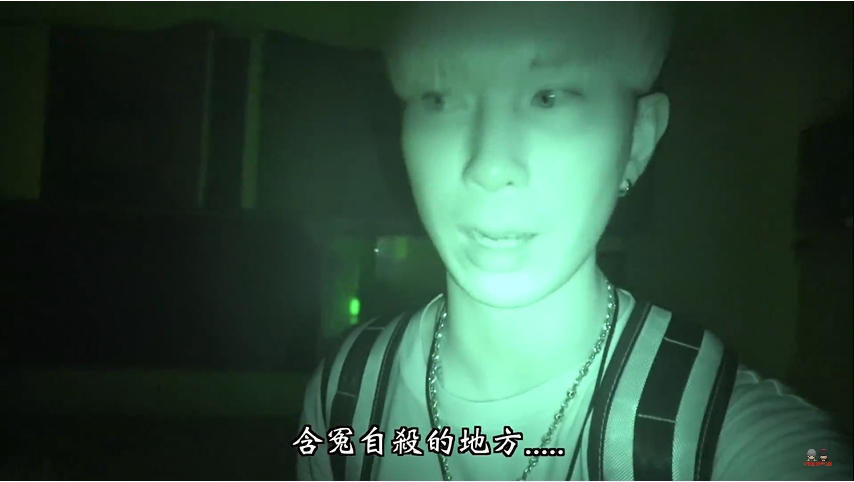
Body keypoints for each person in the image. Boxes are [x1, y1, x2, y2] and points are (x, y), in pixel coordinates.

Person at [297, 3, 851, 480]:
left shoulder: (734, 437)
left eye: (549, 96)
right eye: (439, 97)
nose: (489, 165)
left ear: (637, 139)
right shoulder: (347, 390)